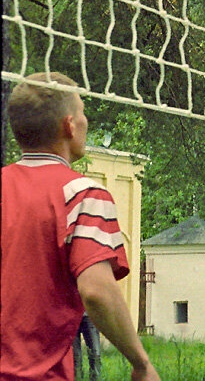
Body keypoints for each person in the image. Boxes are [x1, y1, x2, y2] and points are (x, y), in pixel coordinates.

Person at [1, 72, 160, 381]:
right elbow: (97, 291)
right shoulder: (83, 194)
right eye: (83, 113)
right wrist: (141, 363)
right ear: (69, 126)